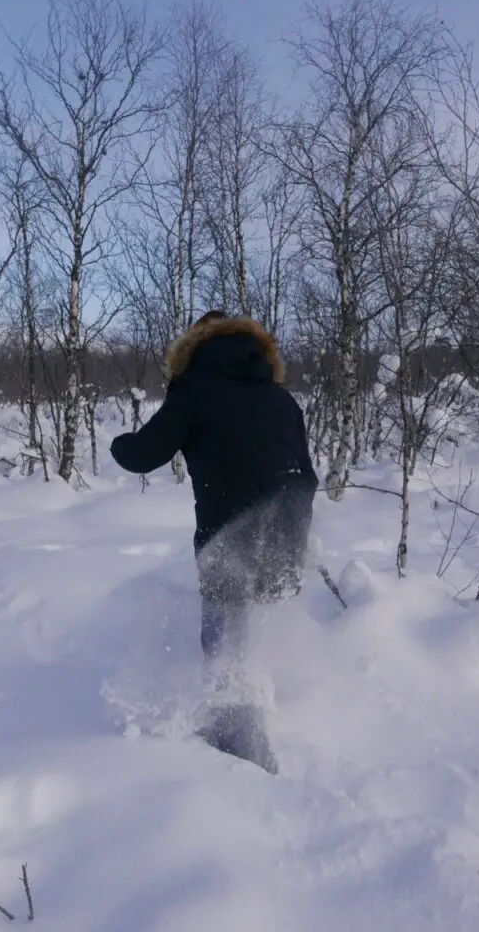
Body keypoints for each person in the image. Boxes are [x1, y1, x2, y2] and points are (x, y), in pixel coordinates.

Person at [110, 311, 318, 771]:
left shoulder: (196, 389)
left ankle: (240, 753)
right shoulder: (281, 398)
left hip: (231, 533)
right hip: (288, 531)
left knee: (224, 639)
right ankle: (260, 714)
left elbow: (144, 454)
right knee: (254, 628)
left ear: (195, 346)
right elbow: (307, 474)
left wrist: (117, 444)